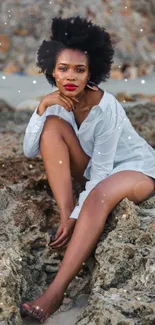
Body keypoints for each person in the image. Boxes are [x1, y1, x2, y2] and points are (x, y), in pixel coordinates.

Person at [22, 16, 155, 323]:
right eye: (63, 68)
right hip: (96, 167)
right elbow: (32, 149)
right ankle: (68, 210)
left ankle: (55, 293)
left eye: (79, 69)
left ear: (90, 72)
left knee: (99, 194)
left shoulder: (106, 107)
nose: (70, 76)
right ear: (52, 71)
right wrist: (42, 107)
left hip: (135, 169)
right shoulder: (55, 103)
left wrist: (75, 217)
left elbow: (101, 175)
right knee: (52, 127)